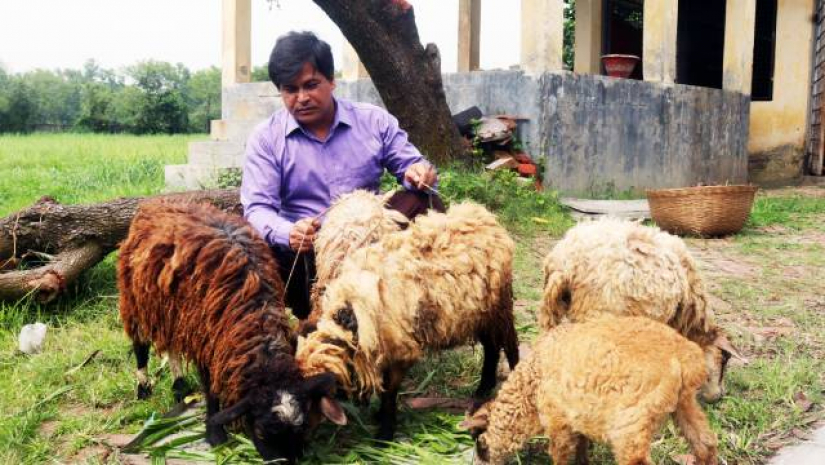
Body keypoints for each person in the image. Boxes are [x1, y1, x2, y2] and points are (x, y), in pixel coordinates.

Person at [241, 31, 444, 319]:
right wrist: (290, 233)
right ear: (281, 91)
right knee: (252, 250)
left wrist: (417, 173)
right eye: (291, 90)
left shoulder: (373, 121)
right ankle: (311, 309)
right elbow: (258, 208)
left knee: (426, 202)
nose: (302, 98)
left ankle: (414, 304)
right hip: (308, 254)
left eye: (311, 85)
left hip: (373, 244)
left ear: (331, 80)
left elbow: (410, 165)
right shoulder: (266, 138)